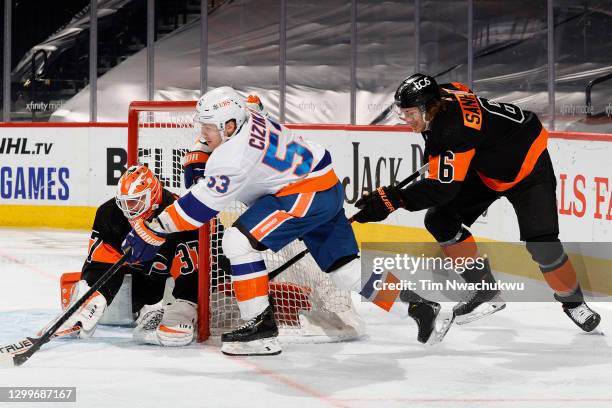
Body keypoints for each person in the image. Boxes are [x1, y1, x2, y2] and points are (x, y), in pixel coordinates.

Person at [121, 86, 452, 356]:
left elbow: (197, 210)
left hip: (303, 195)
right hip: (324, 185)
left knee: (237, 241)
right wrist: (200, 150)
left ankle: (260, 330)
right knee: (345, 269)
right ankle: (421, 306)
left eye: (208, 128)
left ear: (230, 127)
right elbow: (245, 107)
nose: (203, 132)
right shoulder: (249, 113)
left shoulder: (233, 157)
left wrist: (151, 228)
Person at [352, 73, 601, 332]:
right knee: (440, 220)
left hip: (529, 167)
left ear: (429, 108)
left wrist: (394, 199)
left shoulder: (450, 130)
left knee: (543, 245)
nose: (407, 120)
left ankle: (574, 304)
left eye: (412, 113)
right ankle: (485, 291)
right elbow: (464, 92)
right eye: (403, 113)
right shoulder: (446, 95)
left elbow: (440, 190)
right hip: (489, 167)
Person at [55, 165, 200, 346]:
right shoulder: (109, 214)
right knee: (112, 317)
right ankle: (87, 297)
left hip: (167, 284)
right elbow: (101, 263)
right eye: (124, 202)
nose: (128, 209)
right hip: (133, 281)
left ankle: (182, 306)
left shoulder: (179, 216)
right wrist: (92, 296)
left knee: (176, 326)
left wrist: (185, 306)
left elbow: (191, 270)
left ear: (153, 196)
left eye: (135, 201)